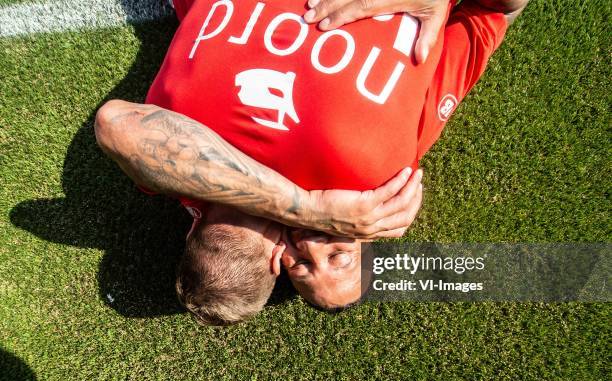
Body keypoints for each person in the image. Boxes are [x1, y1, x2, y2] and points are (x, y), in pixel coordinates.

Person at [95, 0, 529, 324]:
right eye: (337, 256)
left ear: (279, 257)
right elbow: (493, 13)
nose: (312, 247)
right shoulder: (172, 138)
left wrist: (309, 206)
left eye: (301, 265)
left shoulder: (377, 173)